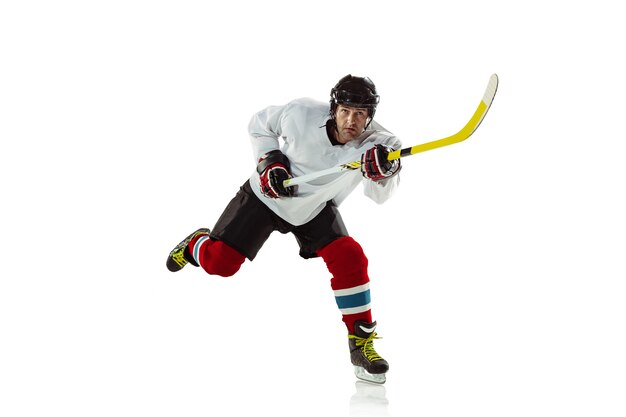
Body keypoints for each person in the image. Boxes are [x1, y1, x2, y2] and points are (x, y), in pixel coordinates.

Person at [166, 74, 402, 384]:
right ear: (334, 108)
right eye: (345, 110)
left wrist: (385, 171)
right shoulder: (301, 112)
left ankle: (360, 343)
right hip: (266, 197)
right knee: (220, 264)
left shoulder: (382, 144)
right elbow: (258, 124)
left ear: (370, 115)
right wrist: (269, 160)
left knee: (350, 257)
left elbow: (380, 197)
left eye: (360, 114)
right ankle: (196, 244)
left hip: (314, 207)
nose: (351, 120)